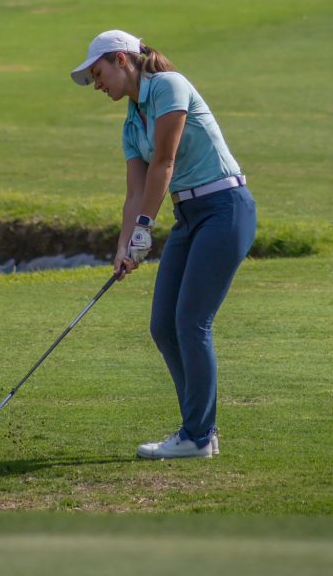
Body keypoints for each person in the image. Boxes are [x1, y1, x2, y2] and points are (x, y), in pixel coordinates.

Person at [71, 29, 258, 459]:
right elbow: (135, 191)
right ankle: (200, 430)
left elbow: (165, 162)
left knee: (191, 322)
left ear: (121, 60)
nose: (97, 85)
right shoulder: (131, 122)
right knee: (163, 325)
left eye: (98, 74)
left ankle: (197, 436)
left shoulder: (169, 86)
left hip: (225, 208)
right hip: (188, 217)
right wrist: (124, 246)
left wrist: (144, 229)